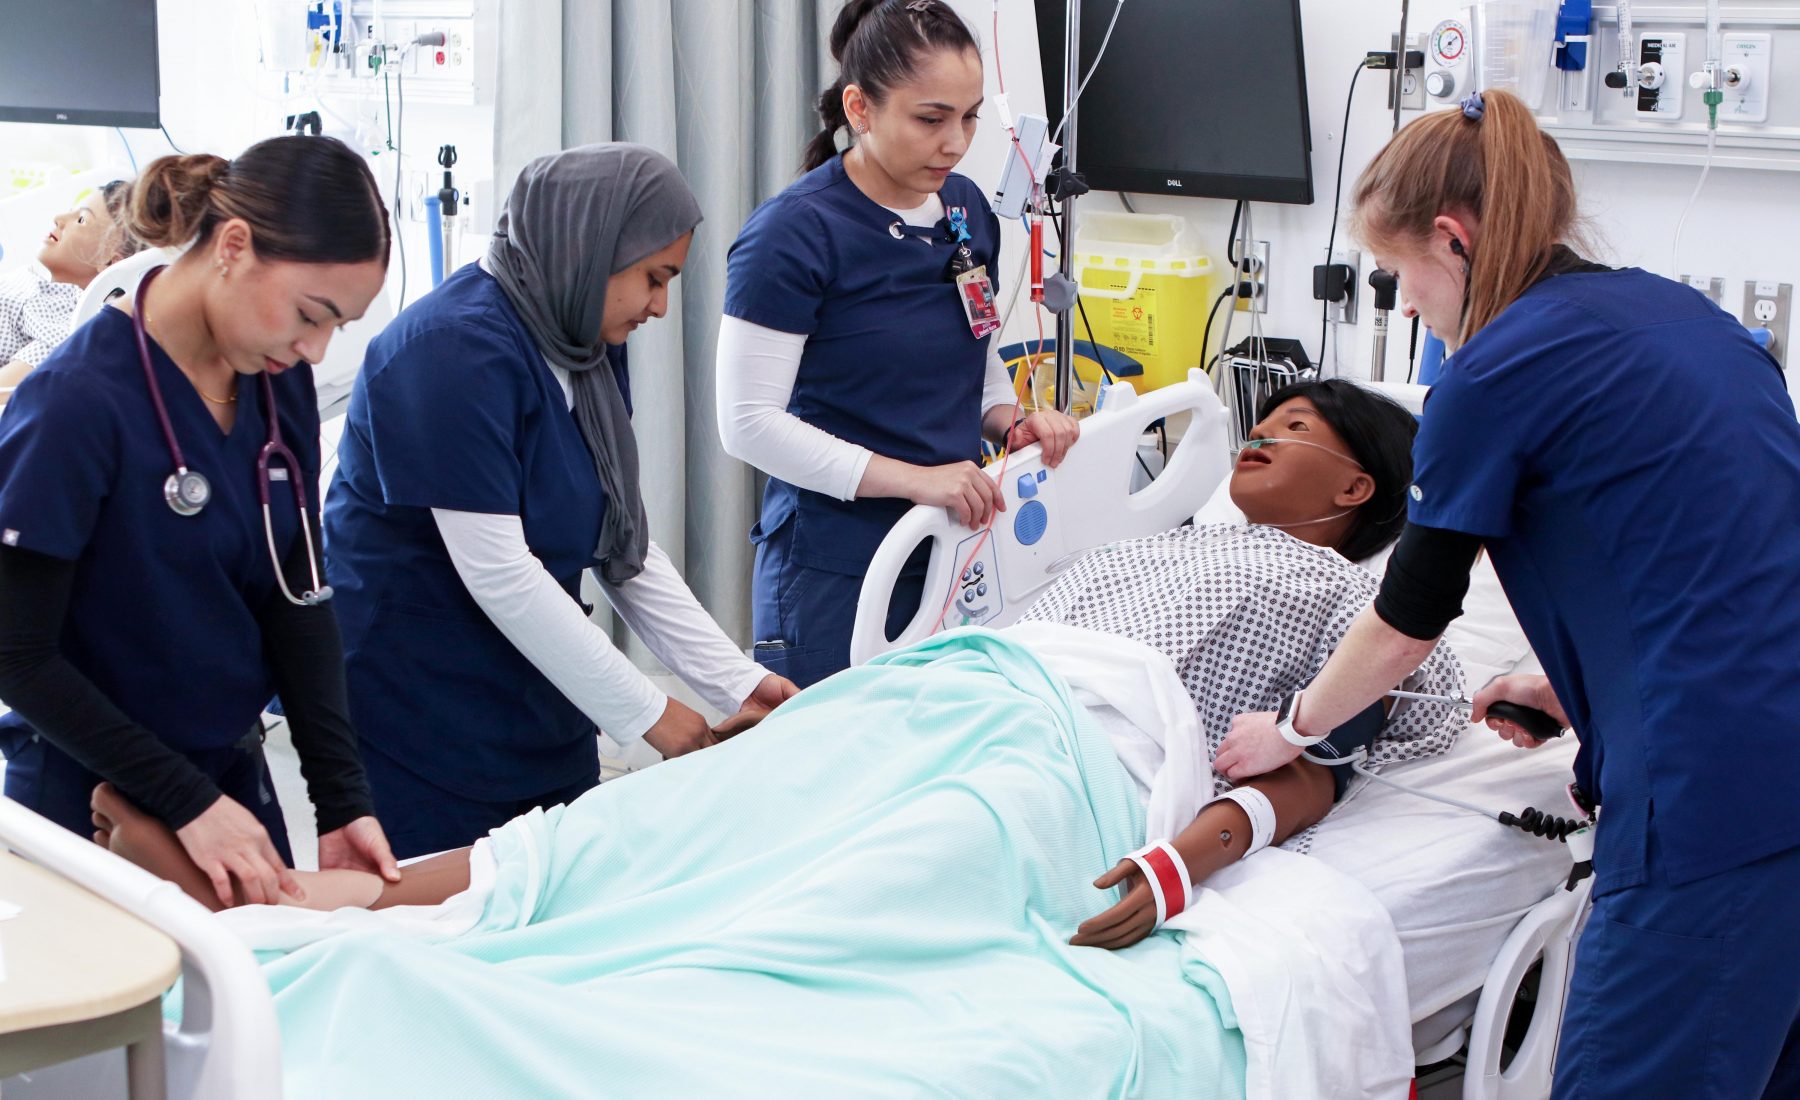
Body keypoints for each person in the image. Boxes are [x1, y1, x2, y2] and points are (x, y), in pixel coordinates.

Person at [107, 379, 1457, 958]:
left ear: (1357, 487)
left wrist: (1201, 846)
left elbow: (1369, 738)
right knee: (664, 808)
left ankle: (343, 920)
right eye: (1262, 420)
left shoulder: (1345, 596)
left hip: (1069, 741)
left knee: (790, 865)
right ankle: (315, 899)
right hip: (965, 680)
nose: (1261, 439)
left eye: (1294, 430)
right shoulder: (1171, 538)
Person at [1221, 90, 1800, 1099]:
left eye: (1401, 270)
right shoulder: (1692, 321)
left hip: (1719, 808)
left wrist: (1297, 728)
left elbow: (1405, 624)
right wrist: (1579, 690)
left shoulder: (1491, 377)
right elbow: (1733, 567)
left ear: (1454, 239)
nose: (1404, 302)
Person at [324, 143, 797, 861]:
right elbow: (501, 575)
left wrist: (739, 683)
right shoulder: (450, 352)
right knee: (448, 925)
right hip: (422, 705)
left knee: (558, 900)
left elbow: (622, 546)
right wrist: (652, 714)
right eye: (653, 278)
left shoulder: (582, 339)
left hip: (534, 689)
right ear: (590, 247)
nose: (661, 307)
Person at [0, 138, 399, 908]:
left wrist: (342, 799)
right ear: (235, 246)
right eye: (311, 314)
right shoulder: (78, 404)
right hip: (87, 791)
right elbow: (15, 653)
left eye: (336, 328)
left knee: (269, 1003)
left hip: (225, 785)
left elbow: (298, 599)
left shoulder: (274, 383)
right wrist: (186, 803)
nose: (314, 347)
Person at [718, 0, 1081, 688]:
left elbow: (975, 353)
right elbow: (747, 425)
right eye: (931, 118)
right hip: (835, 560)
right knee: (839, 767)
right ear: (859, 108)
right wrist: (916, 480)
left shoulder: (966, 209)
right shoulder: (792, 235)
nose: (956, 142)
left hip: (953, 540)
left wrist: (1009, 419)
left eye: (970, 116)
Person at [0, 180, 145, 403]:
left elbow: (6, 391)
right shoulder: (37, 284)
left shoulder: (70, 320)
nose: (58, 219)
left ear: (108, 262)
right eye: (70, 212)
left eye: (81, 220)